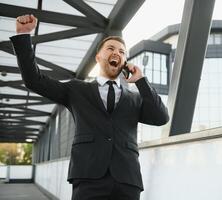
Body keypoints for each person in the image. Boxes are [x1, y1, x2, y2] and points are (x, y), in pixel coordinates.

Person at [10, 14, 169, 200]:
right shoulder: (76, 89)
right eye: (110, 48)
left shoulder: (135, 98)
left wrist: (141, 81)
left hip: (127, 179)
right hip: (88, 178)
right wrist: (23, 37)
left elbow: (161, 118)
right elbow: (34, 81)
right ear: (98, 57)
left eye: (122, 51)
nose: (116, 52)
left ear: (125, 62)